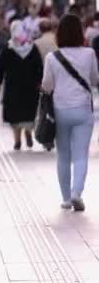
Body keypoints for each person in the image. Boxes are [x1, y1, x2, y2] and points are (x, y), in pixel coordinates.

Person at [42, 14, 98, 211]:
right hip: (83, 111)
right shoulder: (89, 54)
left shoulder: (52, 57)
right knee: (81, 154)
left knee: (63, 155)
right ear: (79, 33)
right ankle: (77, 193)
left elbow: (46, 85)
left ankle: (66, 199)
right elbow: (94, 80)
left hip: (60, 111)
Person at [0, 20, 43, 151]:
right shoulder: (32, 48)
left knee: (14, 114)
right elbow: (39, 67)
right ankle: (28, 131)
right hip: (30, 88)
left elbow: (0, 68)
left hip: (12, 87)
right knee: (28, 111)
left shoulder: (8, 49)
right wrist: (39, 82)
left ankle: (17, 140)